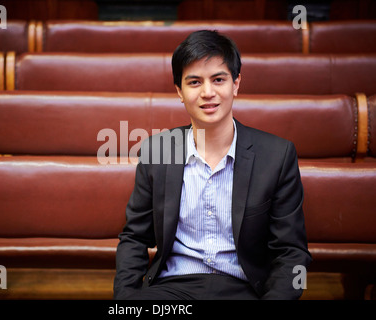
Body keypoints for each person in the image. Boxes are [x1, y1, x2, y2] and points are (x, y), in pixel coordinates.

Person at [113, 30, 311, 300]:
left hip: (244, 288)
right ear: (179, 92)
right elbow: (134, 238)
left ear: (236, 83)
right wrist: (126, 301)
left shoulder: (277, 155)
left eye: (219, 79)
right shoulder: (157, 151)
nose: (208, 93)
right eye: (194, 82)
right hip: (172, 288)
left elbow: (291, 252)